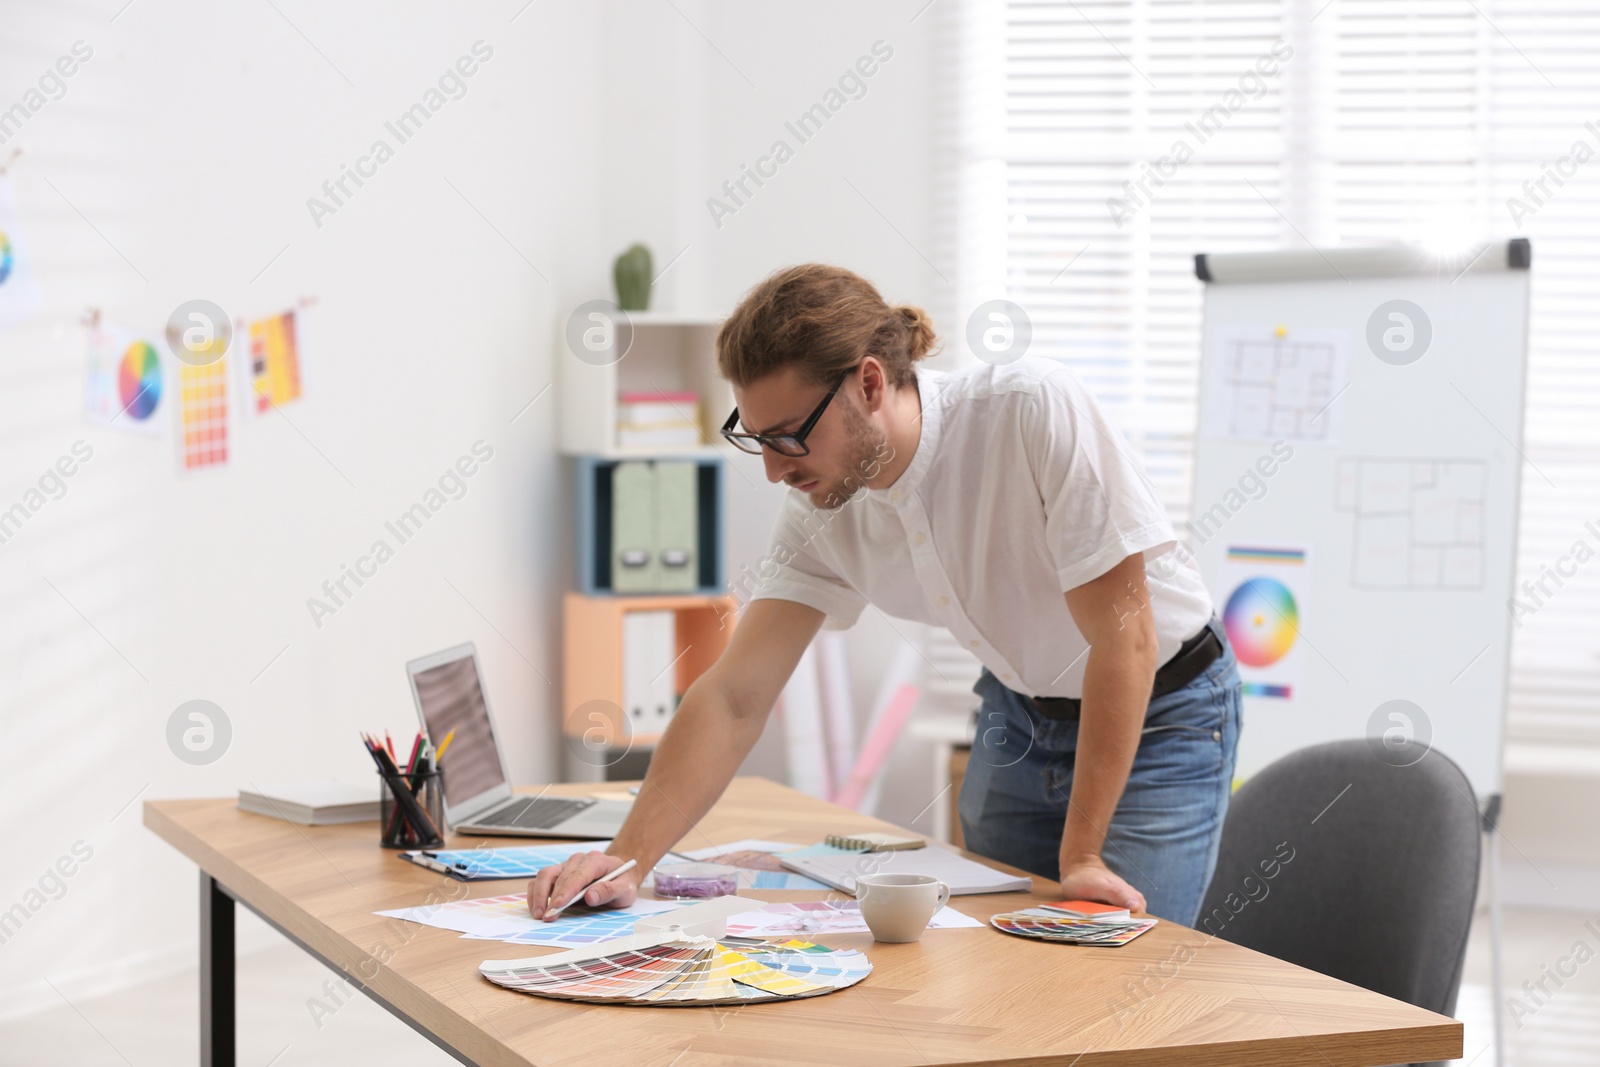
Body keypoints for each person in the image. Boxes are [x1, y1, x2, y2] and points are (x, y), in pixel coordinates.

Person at [529, 264, 1242, 926]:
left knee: (1122, 970)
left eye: (789, 437)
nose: (775, 471)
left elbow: (1126, 638)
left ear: (869, 384)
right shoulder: (819, 509)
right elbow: (733, 695)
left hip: (1161, 713)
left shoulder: (1028, 410)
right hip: (1020, 713)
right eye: (757, 439)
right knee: (1006, 968)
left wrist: (1081, 853)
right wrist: (627, 856)